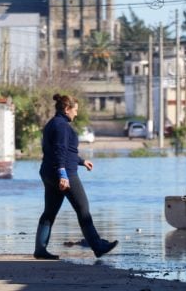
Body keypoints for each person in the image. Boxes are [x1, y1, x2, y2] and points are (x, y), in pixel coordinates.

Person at [33, 93, 118, 260]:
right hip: (64, 174)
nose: (76, 113)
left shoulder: (53, 124)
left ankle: (40, 249)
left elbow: (64, 152)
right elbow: (59, 151)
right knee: (83, 209)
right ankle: (98, 246)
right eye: (75, 110)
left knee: (49, 212)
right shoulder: (62, 126)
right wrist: (63, 174)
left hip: (49, 172)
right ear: (66, 109)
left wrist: (81, 161)